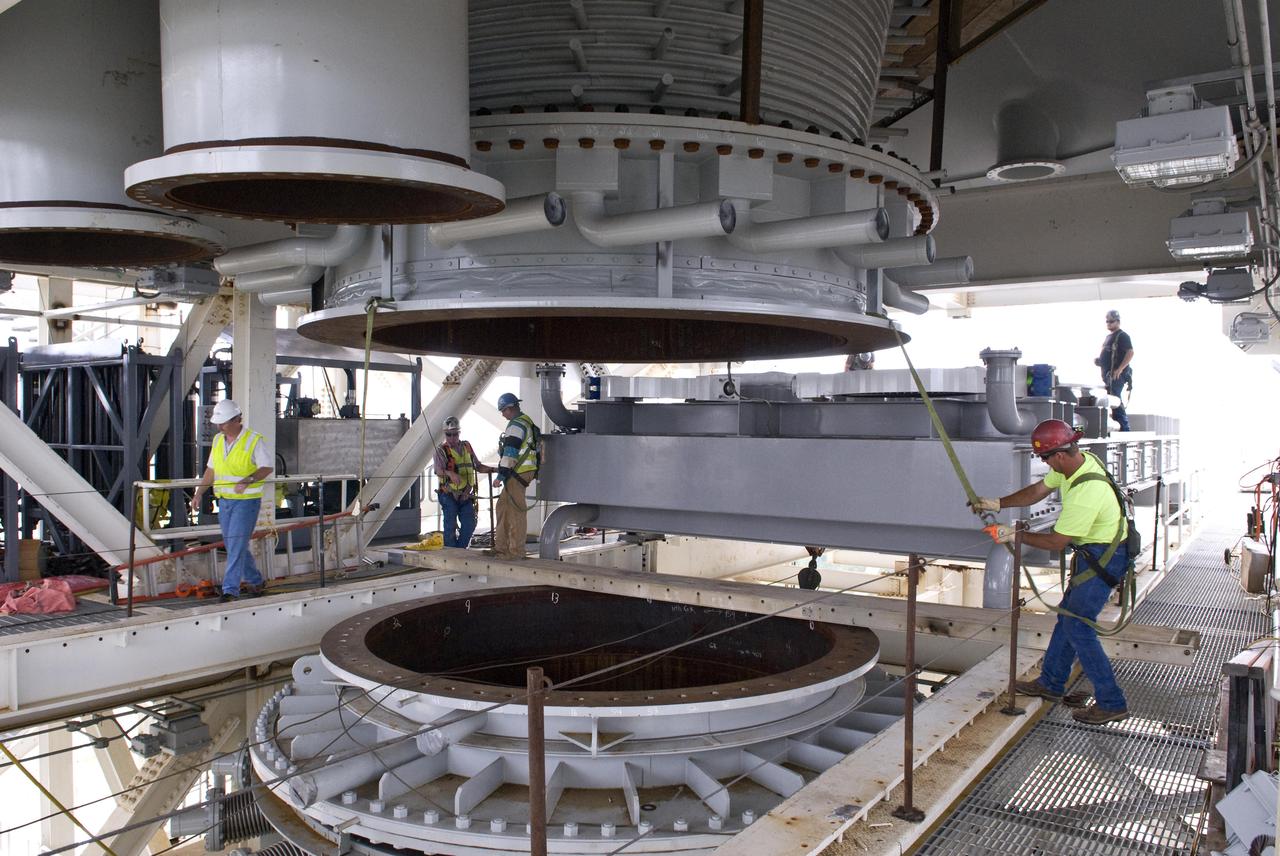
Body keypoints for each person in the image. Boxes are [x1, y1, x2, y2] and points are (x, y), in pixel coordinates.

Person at [972, 418, 1130, 725]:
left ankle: (1112, 702)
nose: (1044, 464)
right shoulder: (1076, 465)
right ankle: (1051, 683)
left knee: (1079, 626)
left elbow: (1057, 542)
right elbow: (1036, 491)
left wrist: (1012, 536)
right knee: (1068, 618)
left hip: (1104, 557)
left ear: (1058, 455)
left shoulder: (1087, 491)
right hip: (1095, 552)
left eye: (1045, 458)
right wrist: (997, 503)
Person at [191, 399, 273, 602]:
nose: (220, 426)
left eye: (224, 422)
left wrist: (249, 480)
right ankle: (255, 580)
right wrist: (199, 492)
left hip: (246, 502)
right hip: (225, 500)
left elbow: (266, 467)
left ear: (238, 420)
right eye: (219, 423)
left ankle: (230, 590)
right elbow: (211, 470)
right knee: (233, 545)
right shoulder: (219, 441)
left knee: (235, 544)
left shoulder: (254, 440)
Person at [489, 392, 540, 560]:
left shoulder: (516, 425)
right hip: (522, 472)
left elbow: (510, 452)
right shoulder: (526, 421)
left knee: (515, 512)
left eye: (503, 411)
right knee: (503, 507)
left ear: (510, 408)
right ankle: (501, 548)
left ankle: (516, 552)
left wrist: (500, 476)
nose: (502, 414)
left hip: (517, 473)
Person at [433, 416, 494, 548]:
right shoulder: (441, 451)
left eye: (455, 434)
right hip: (448, 493)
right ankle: (451, 553)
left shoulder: (467, 446)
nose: (452, 437)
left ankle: (459, 551)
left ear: (459, 433)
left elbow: (477, 465)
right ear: (445, 434)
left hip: (466, 494)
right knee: (450, 526)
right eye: (449, 434)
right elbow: (438, 470)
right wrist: (450, 473)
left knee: (469, 523)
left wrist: (495, 470)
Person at [1095, 309, 1133, 431]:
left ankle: (1125, 428)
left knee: (1115, 399)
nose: (1109, 324)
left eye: (1111, 322)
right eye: (1107, 322)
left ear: (1118, 322)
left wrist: (1119, 369)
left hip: (1116, 376)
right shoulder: (1109, 337)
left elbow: (1130, 352)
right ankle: (1119, 426)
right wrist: (1100, 361)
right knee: (1112, 399)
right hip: (1107, 376)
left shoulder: (1122, 336)